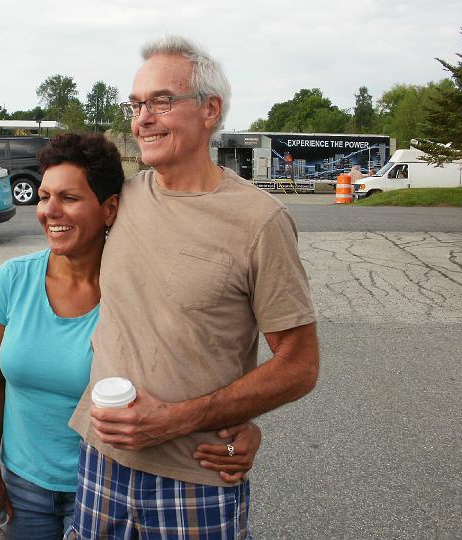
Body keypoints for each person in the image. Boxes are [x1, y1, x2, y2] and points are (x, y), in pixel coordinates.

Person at [67, 36, 320, 539]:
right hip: (102, 460)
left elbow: (300, 366)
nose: (143, 119)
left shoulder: (259, 221)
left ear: (210, 109)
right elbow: (60, 258)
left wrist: (181, 419)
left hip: (196, 476)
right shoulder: (120, 198)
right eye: (136, 105)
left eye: (161, 101)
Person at [0, 133, 262, 540]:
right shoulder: (12, 281)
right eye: (43, 196)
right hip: (24, 487)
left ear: (109, 209)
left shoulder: (137, 292)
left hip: (107, 488)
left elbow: (198, 370)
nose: (49, 211)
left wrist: (238, 432)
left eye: (69, 198)